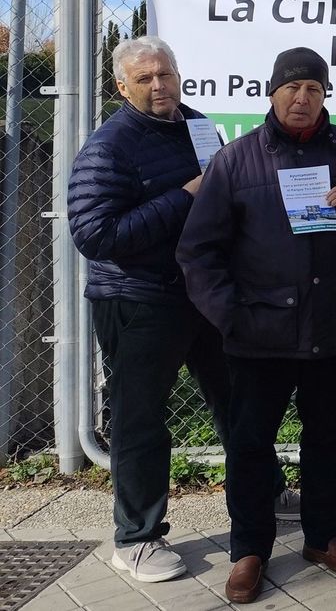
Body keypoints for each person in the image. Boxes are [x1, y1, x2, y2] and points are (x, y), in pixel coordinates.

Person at [177, 47, 336, 604]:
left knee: (327, 436)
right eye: (292, 89)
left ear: (326, 95)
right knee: (251, 443)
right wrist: (233, 316)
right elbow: (198, 252)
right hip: (260, 336)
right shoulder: (235, 161)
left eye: (314, 90)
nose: (302, 99)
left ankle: (323, 537)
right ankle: (249, 550)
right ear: (272, 93)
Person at [68, 37, 297, 584]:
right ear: (121, 86)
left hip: (206, 294)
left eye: (165, 74)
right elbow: (95, 235)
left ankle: (263, 492)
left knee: (238, 401)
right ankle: (138, 537)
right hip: (138, 299)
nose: (159, 86)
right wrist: (185, 196)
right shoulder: (109, 147)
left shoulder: (199, 126)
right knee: (140, 419)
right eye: (144, 79)